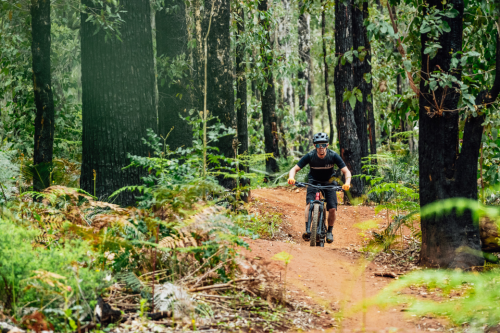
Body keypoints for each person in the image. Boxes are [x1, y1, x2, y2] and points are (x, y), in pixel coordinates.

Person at [287, 132, 351, 243]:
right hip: (313, 181)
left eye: (323, 144)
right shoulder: (310, 156)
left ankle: (329, 231)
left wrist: (347, 183)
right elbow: (294, 169)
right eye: (317, 145)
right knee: (309, 204)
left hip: (329, 182)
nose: (320, 148)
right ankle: (308, 230)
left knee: (332, 208)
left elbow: (346, 171)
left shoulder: (333, 156)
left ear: (327, 145)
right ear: (314, 146)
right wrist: (291, 177)